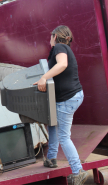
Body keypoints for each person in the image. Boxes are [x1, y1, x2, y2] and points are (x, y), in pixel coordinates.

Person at [33, 25, 88, 185]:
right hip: (70, 96)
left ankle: (78, 171)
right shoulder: (63, 48)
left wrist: (44, 78)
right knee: (53, 123)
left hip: (67, 98)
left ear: (55, 36)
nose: (50, 38)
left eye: (51, 35)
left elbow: (62, 65)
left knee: (64, 136)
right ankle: (51, 158)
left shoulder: (59, 47)